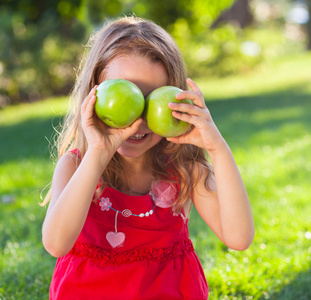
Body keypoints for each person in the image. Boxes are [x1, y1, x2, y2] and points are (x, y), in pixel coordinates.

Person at [41, 15, 254, 300]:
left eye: (153, 98)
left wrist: (217, 148)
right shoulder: (76, 166)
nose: (138, 119)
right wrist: (98, 154)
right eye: (126, 95)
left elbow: (239, 238)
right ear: (92, 96)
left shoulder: (182, 170)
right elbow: (56, 244)